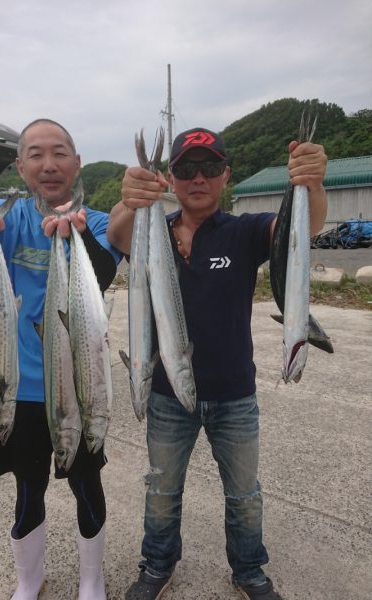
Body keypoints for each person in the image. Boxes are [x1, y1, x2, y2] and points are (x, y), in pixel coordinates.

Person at [106, 126, 328, 600]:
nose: (198, 177)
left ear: (226, 175)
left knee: (244, 493)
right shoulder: (153, 231)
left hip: (234, 394)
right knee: (161, 490)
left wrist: (311, 185)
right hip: (166, 394)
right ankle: (157, 564)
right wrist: (129, 200)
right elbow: (117, 234)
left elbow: (301, 230)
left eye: (209, 167)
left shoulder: (244, 231)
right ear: (171, 177)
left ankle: (249, 570)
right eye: (187, 168)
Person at [0, 118, 122, 600]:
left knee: (87, 486)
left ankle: (92, 580)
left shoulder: (101, 222)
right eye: (37, 155)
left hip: (80, 389)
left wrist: (79, 235)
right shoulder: (5, 216)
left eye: (61, 152)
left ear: (77, 162)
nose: (50, 164)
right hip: (19, 388)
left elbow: (102, 274)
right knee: (29, 490)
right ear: (20, 166)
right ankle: (29, 579)